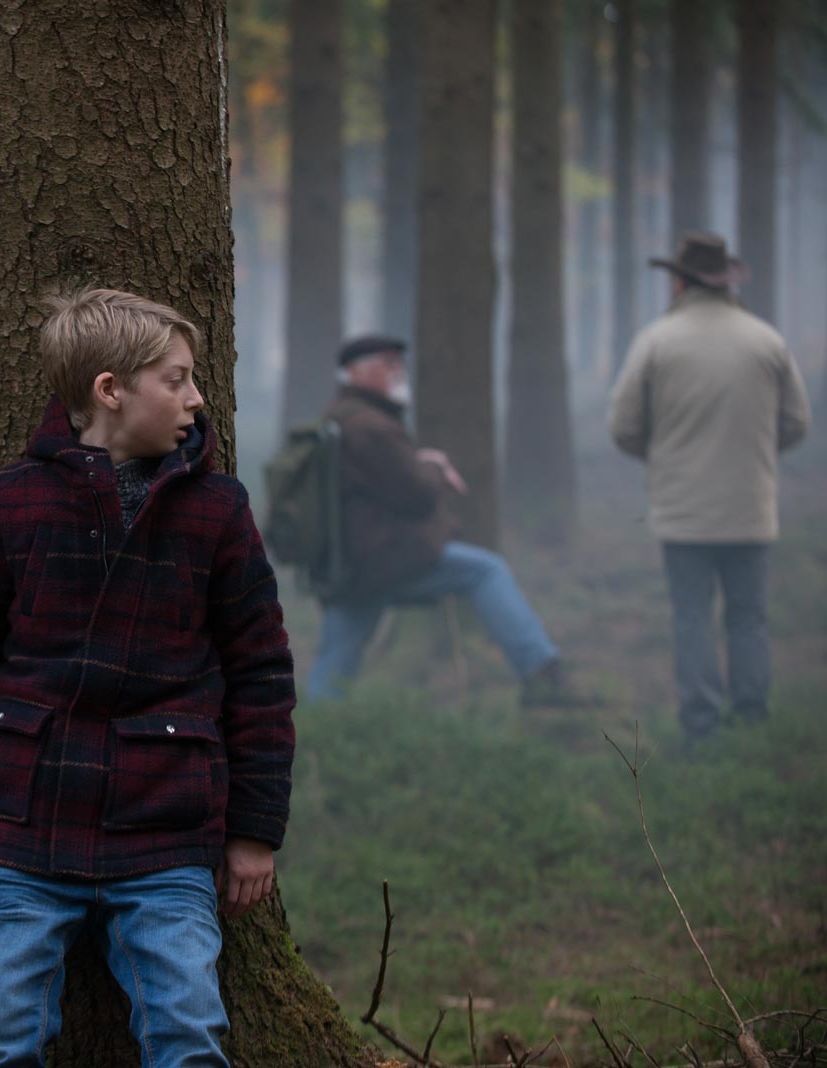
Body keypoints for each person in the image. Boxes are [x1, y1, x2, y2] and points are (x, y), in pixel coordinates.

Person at [0, 288, 297, 1067]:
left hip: (167, 832)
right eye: (177, 379)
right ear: (110, 390)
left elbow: (261, 676)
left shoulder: (218, 510)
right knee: (0, 1042)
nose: (196, 399)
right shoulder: (7, 503)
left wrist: (254, 830)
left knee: (188, 1038)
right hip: (21, 830)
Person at [304, 335, 593, 706]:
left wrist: (420, 463)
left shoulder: (342, 418)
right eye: (386, 363)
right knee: (486, 570)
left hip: (351, 562)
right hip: (381, 559)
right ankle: (541, 676)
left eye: (398, 363)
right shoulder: (370, 427)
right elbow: (416, 497)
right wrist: (436, 470)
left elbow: (383, 480)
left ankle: (315, 732)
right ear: (357, 373)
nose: (397, 371)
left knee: (336, 657)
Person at [609, 231, 811, 745]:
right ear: (724, 282)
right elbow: (796, 424)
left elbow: (624, 428)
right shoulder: (767, 341)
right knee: (749, 618)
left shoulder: (656, 342)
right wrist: (756, 454)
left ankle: (700, 728)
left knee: (692, 617)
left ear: (680, 284)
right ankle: (752, 721)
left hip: (683, 512)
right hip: (750, 507)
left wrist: (665, 456)